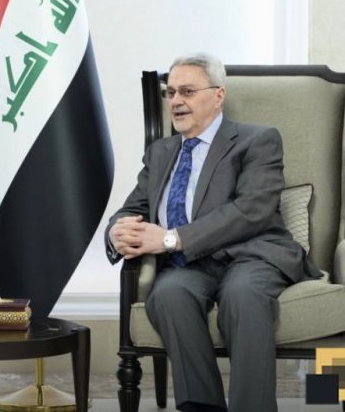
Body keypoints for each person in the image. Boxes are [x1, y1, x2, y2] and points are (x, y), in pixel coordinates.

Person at [105, 53, 319, 412]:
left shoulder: (257, 140)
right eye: (171, 92)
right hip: (189, 266)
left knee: (242, 296)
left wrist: (171, 239)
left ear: (218, 96)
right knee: (168, 295)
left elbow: (251, 210)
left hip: (252, 256)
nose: (176, 101)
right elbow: (134, 207)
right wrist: (117, 232)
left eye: (187, 91)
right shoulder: (161, 152)